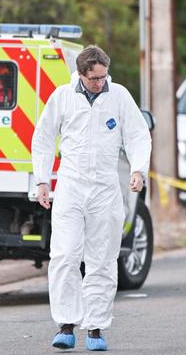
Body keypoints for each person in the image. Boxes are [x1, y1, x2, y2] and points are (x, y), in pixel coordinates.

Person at [32, 45, 152, 351]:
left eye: (103, 76)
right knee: (65, 256)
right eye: (94, 78)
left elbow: (138, 134)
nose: (100, 82)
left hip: (105, 189)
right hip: (71, 188)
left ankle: (96, 328)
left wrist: (138, 169)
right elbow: (44, 137)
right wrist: (43, 179)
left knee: (102, 260)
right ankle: (66, 325)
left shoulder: (120, 96)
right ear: (81, 73)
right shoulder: (62, 97)